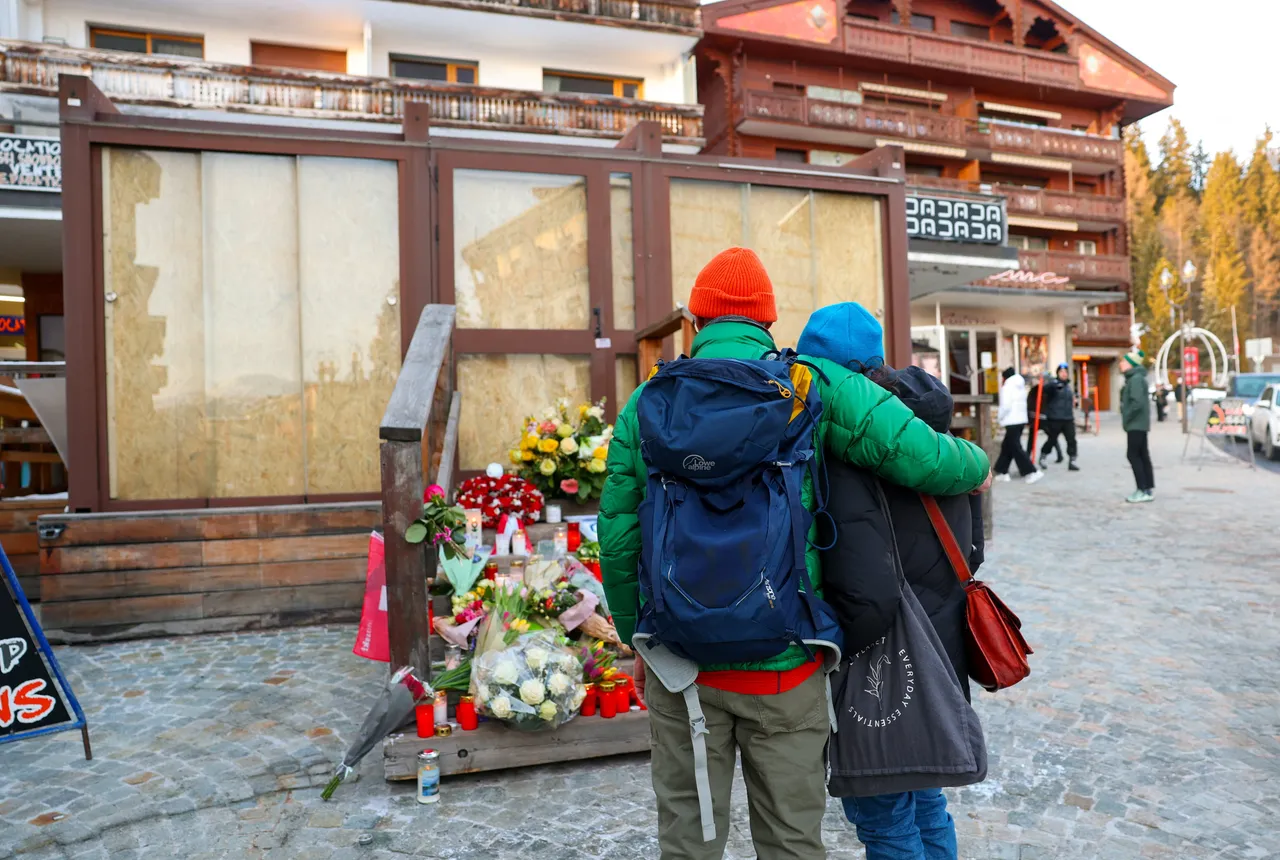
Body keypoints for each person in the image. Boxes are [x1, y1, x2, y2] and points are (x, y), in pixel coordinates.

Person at [599, 249, 992, 860]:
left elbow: (618, 533)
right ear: (767, 319)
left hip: (681, 668)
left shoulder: (646, 401)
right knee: (791, 841)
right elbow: (925, 455)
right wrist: (978, 468)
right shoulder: (810, 383)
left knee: (688, 839)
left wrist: (638, 639)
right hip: (787, 661)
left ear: (697, 320)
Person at [798, 303, 982, 860]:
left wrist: (836, 648)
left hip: (883, 663)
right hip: (938, 651)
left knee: (884, 821)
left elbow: (866, 589)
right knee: (926, 803)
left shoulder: (849, 447)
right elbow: (971, 550)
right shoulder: (933, 433)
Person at [993, 368, 1043, 484]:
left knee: (1015, 447)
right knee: (1007, 446)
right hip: (1020, 419)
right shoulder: (1020, 387)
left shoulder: (1007, 387)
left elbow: (1005, 406)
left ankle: (1031, 471)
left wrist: (1000, 418)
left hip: (1011, 420)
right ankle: (1001, 471)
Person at [1120, 350, 1154, 503]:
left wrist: (1127, 416)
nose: (1121, 364)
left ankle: (1142, 489)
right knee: (1142, 455)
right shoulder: (1136, 378)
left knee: (1133, 455)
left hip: (1136, 424)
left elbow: (1137, 403)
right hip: (1140, 423)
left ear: (1131, 364)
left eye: (1124, 361)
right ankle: (1147, 488)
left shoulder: (1135, 380)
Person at [1039, 363, 1079, 471]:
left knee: (1072, 440)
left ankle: (1072, 461)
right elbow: (1045, 390)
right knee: (1052, 440)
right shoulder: (1054, 385)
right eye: (1061, 372)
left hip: (1068, 418)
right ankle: (1043, 456)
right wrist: (1052, 384)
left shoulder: (1068, 387)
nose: (1064, 374)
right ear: (1058, 373)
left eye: (1065, 372)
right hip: (1055, 418)